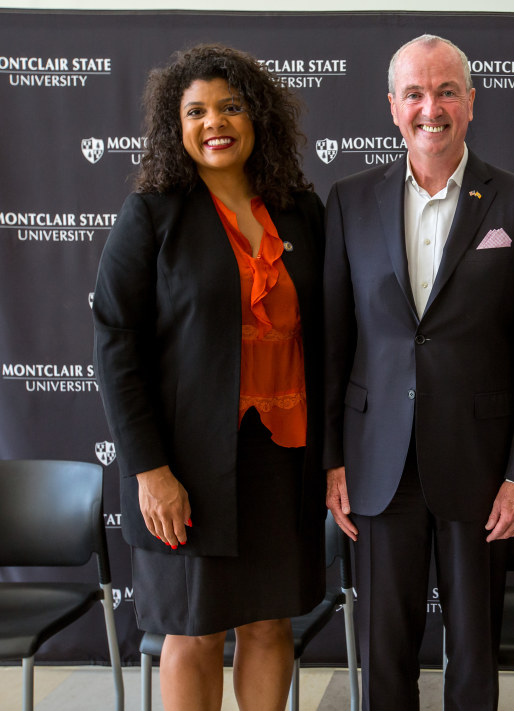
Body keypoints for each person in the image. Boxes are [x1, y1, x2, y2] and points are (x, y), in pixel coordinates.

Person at [322, 34, 514, 710]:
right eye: (417, 94)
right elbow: (336, 341)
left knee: (474, 652)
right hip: (377, 463)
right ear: (393, 107)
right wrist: (334, 458)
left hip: (481, 466)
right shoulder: (349, 200)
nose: (433, 107)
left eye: (447, 91)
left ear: (471, 102)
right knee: (384, 649)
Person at [93, 45, 325, 711]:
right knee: (192, 630)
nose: (213, 122)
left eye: (229, 106)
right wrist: (149, 470)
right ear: (176, 125)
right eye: (195, 111)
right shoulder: (152, 213)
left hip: (282, 457)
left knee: (269, 620)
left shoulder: (300, 210)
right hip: (186, 469)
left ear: (258, 117)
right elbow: (115, 341)